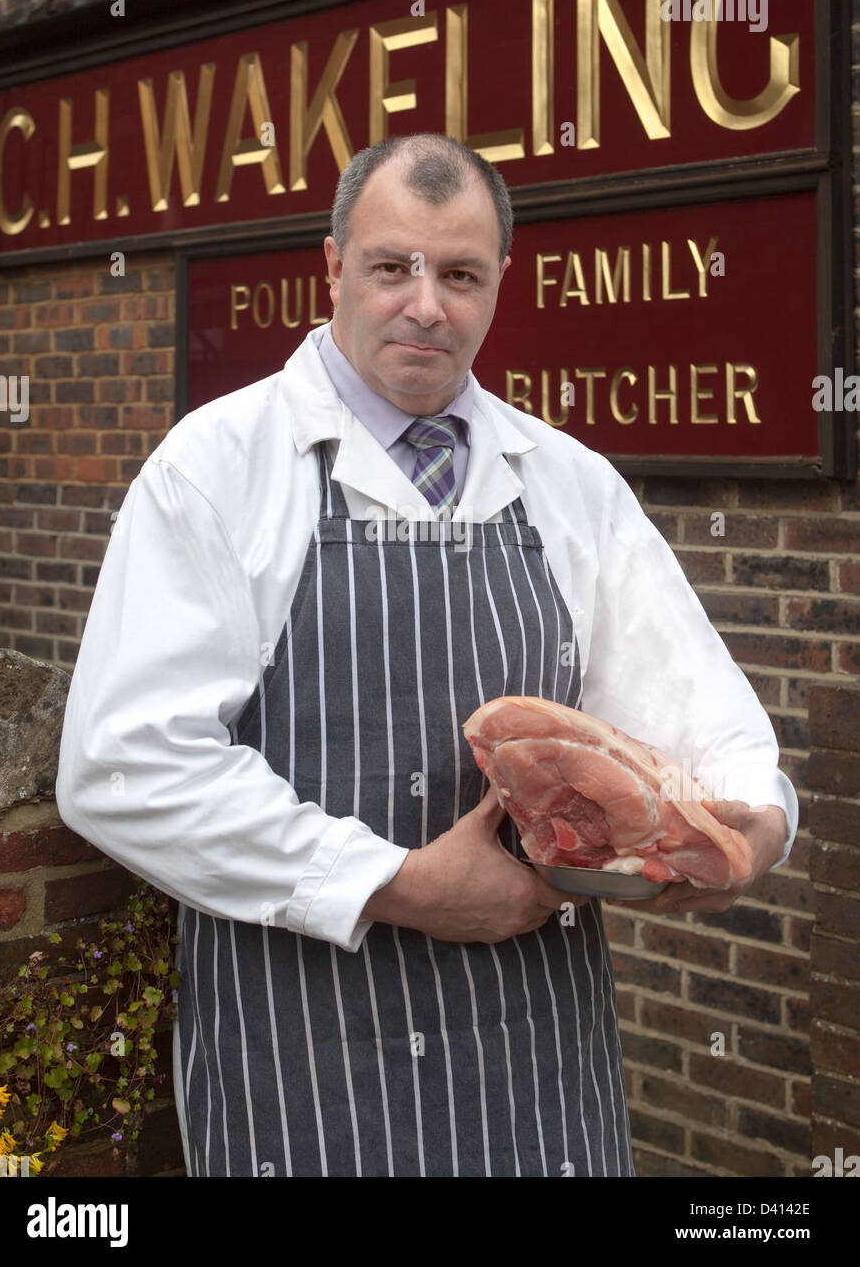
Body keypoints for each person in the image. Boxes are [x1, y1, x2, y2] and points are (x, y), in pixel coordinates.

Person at [55, 132, 797, 1179]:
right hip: (302, 1047)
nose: (424, 305)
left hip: (536, 1046)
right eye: (390, 266)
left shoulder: (569, 480)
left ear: (499, 284)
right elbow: (122, 763)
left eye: (458, 275)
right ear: (331, 268)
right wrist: (396, 883)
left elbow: (691, 702)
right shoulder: (216, 468)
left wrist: (751, 824)